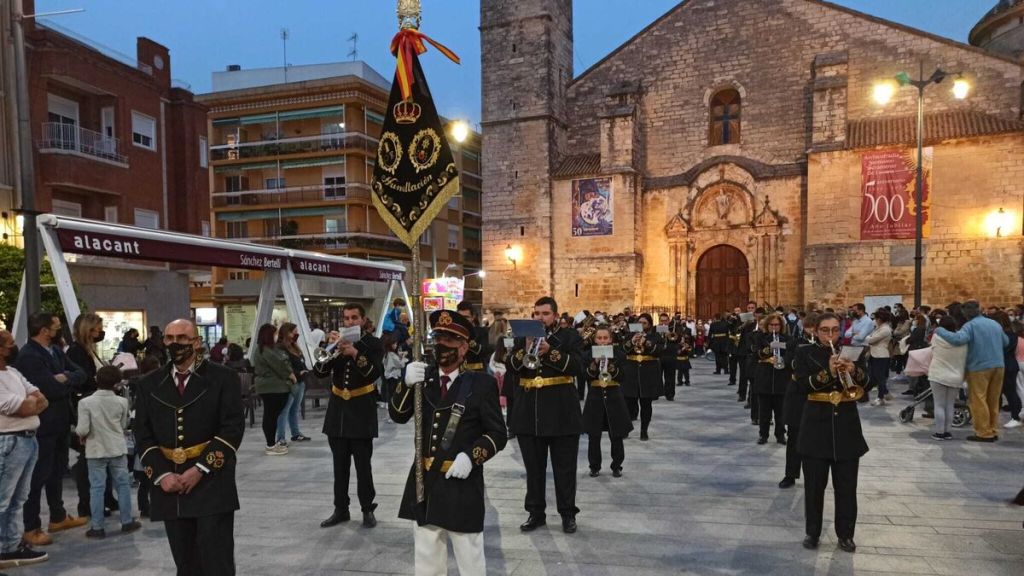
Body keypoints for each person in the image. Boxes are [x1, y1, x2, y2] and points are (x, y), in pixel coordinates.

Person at [390, 310, 507, 575]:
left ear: (464, 348)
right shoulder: (423, 379)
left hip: (461, 484)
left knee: (470, 560)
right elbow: (398, 416)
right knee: (427, 560)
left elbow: (498, 433)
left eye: (450, 340)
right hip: (425, 482)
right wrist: (406, 384)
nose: (441, 345)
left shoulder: (481, 384)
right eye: (438, 338)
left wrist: (471, 456)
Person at [134, 318, 244, 576]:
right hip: (170, 483)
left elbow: (232, 428)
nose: (175, 344)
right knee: (185, 562)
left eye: (182, 338)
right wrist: (161, 475)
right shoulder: (149, 383)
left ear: (196, 342)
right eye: (170, 338)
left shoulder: (223, 377)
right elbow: (143, 434)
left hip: (212, 482)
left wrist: (201, 468)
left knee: (217, 561)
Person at [793, 313, 869, 553]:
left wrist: (853, 370)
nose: (830, 335)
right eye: (825, 330)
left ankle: (846, 534)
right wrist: (828, 372)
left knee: (847, 487)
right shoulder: (805, 353)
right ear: (816, 331)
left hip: (846, 426)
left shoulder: (852, 352)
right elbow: (801, 386)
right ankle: (812, 532)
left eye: (835, 330)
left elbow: (868, 385)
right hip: (816, 426)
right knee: (814, 486)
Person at [508, 296, 583, 534]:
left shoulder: (569, 337)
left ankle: (568, 514)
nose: (540, 318)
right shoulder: (522, 337)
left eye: (545, 313)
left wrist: (550, 352)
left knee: (565, 468)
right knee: (533, 469)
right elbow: (511, 366)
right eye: (537, 313)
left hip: (562, 412)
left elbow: (579, 367)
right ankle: (535, 513)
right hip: (529, 412)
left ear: (555, 316)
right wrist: (525, 347)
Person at [14, 312, 88, 547]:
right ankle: (31, 526)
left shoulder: (55, 351)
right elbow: (49, 389)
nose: (59, 330)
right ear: (44, 330)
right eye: (56, 327)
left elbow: (81, 374)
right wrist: (65, 382)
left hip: (61, 421)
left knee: (57, 470)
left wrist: (64, 377)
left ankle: (58, 516)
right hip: (43, 424)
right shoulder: (28, 356)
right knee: (38, 476)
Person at [315, 303, 384, 529]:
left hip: (361, 411)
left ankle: (367, 508)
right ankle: (341, 509)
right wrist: (328, 346)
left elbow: (373, 373)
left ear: (363, 320)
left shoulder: (373, 344)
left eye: (354, 317)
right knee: (339, 467)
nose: (350, 322)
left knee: (363, 467)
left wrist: (354, 353)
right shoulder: (337, 344)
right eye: (346, 318)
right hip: (338, 413)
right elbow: (319, 372)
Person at [0, 330, 49, 568]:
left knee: (18, 499)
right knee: (3, 499)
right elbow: (23, 406)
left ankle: (9, 546)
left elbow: (42, 399)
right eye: (10, 344)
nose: (15, 346)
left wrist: (30, 404)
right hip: (8, 443)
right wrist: (29, 404)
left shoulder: (13, 372)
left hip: (28, 440)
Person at [75, 365, 142, 538]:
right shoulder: (122, 402)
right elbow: (123, 425)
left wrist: (82, 436)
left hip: (95, 449)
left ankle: (97, 527)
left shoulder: (85, 403)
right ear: (117, 384)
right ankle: (127, 521)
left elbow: (82, 429)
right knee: (123, 485)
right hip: (117, 448)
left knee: (96, 488)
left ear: (97, 380)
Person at [933, 300, 1008, 442]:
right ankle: (993, 429)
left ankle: (983, 433)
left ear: (965, 313)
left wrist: (940, 330)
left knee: (978, 399)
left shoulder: (970, 325)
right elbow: (1005, 342)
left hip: (979, 367)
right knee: (993, 399)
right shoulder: (994, 324)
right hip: (998, 365)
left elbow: (958, 339)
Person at [66, 313, 118, 520]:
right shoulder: (76, 351)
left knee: (104, 455)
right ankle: (88, 502)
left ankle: (106, 497)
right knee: (89, 458)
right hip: (88, 408)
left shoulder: (90, 350)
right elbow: (83, 380)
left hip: (99, 406)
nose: (101, 332)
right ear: (88, 330)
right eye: (98, 329)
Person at [583, 327, 632, 477]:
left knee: (616, 434)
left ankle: (617, 466)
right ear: (595, 340)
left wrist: (611, 366)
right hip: (595, 395)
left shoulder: (619, 354)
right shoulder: (588, 354)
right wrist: (595, 362)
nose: (603, 341)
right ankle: (594, 466)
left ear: (611, 339)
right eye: (599, 338)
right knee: (594, 435)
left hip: (614, 395)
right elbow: (584, 376)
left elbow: (623, 376)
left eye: (605, 338)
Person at [779, 314, 817, 489]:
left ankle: (814, 476)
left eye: (815, 327)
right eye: (809, 327)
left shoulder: (827, 347)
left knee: (815, 438)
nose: (812, 330)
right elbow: (790, 364)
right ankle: (790, 474)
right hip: (798, 394)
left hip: (817, 395)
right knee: (794, 437)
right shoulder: (794, 343)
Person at [253, 324, 295, 456]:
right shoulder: (265, 350)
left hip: (274, 387)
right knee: (270, 416)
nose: (277, 336)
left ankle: (272, 443)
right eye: (275, 333)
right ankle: (270, 445)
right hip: (272, 388)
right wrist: (291, 375)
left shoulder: (268, 349)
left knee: (272, 415)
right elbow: (280, 365)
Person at [620, 314, 664, 440]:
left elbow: (660, 351)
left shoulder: (655, 336)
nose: (642, 325)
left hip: (648, 372)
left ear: (649, 324)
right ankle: (626, 429)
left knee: (646, 404)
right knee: (628, 403)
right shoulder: (630, 335)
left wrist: (647, 342)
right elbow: (622, 350)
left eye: (645, 323)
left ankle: (644, 430)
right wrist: (632, 341)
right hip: (631, 372)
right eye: (640, 322)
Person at [752, 313, 792, 445]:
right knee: (764, 411)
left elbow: (791, 354)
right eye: (771, 325)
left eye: (777, 325)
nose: (774, 327)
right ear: (767, 325)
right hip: (765, 376)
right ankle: (763, 435)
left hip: (781, 378)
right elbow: (755, 354)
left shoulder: (787, 338)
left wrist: (783, 358)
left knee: (781, 411)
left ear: (781, 326)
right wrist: (769, 348)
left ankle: (780, 435)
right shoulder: (760, 337)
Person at [927, 316, 967, 440]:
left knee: (939, 404)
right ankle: (947, 432)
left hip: (938, 374)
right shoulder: (963, 340)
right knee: (950, 405)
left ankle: (939, 432)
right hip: (956, 375)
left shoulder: (937, 337)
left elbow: (931, 352)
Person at [275, 323, 311, 445]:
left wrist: (304, 371)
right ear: (286, 333)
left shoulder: (294, 346)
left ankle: (295, 434)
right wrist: (297, 372)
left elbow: (300, 360)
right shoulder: (280, 348)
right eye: (294, 332)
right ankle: (280, 438)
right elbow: (283, 366)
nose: (296, 334)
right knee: (284, 410)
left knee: (294, 409)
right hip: (289, 383)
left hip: (300, 382)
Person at [990, 311, 1022, 429]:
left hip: (1007, 366)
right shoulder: (1010, 334)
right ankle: (994, 418)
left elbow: (1002, 350)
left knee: (1010, 393)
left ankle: (1016, 417)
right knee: (1000, 393)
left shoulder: (1007, 335)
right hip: (1007, 365)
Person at [866, 309, 894, 406]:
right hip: (874, 354)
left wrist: (867, 337)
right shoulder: (879, 328)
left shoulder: (885, 329)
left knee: (880, 377)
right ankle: (885, 392)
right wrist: (869, 337)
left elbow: (871, 340)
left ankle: (881, 397)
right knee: (873, 376)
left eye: (876, 318)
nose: (875, 320)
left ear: (880, 319)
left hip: (881, 355)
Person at [659, 314, 679, 401]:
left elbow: (678, 339)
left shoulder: (674, 329)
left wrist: (669, 334)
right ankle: (656, 393)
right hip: (659, 355)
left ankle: (670, 394)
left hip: (670, 355)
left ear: (668, 321)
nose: (663, 323)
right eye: (661, 321)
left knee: (670, 377)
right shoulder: (656, 329)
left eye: (665, 321)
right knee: (657, 376)